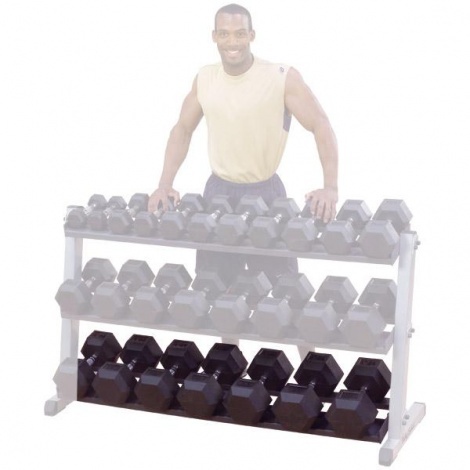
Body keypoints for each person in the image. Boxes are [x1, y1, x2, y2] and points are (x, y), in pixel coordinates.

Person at [148, 3, 338, 284]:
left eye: (239, 33)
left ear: (252, 35)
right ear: (214, 36)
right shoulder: (205, 78)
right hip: (218, 194)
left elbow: (320, 124)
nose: (232, 42)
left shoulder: (281, 77)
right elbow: (182, 130)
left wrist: (330, 187)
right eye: (224, 34)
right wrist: (164, 184)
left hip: (267, 194)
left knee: (280, 290)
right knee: (216, 288)